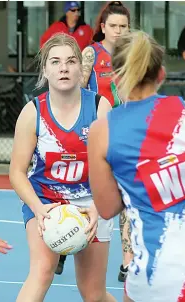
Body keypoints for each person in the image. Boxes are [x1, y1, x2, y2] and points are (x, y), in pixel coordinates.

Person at [87, 30, 185, 302]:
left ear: (115, 78)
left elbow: (107, 207)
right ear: (161, 74)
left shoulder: (102, 132)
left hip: (159, 272)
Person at [9, 33, 116, 302]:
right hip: (46, 200)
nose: (64, 68)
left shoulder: (100, 107)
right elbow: (17, 172)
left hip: (92, 200)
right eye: (55, 62)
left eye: (70, 61)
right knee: (42, 272)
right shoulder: (32, 113)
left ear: (81, 68)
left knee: (93, 294)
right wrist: (38, 208)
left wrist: (99, 207)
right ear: (45, 69)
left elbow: (116, 166)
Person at [75, 0, 132, 282]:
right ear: (103, 27)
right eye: (114, 26)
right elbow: (78, 88)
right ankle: (66, 242)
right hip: (95, 132)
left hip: (124, 133)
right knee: (80, 189)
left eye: (123, 26)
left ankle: (126, 261)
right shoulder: (91, 53)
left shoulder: (133, 55)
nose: (119, 31)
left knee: (125, 192)